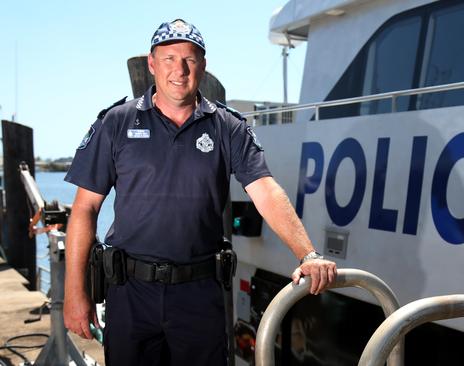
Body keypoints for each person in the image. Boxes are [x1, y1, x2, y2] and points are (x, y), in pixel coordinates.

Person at [63, 19, 337, 365]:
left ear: (202, 66)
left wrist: (308, 254)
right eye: (168, 58)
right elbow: (85, 208)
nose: (179, 69)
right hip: (130, 292)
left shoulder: (228, 126)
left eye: (189, 59)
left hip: (199, 294)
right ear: (151, 64)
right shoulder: (116, 123)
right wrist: (76, 291)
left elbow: (265, 190)